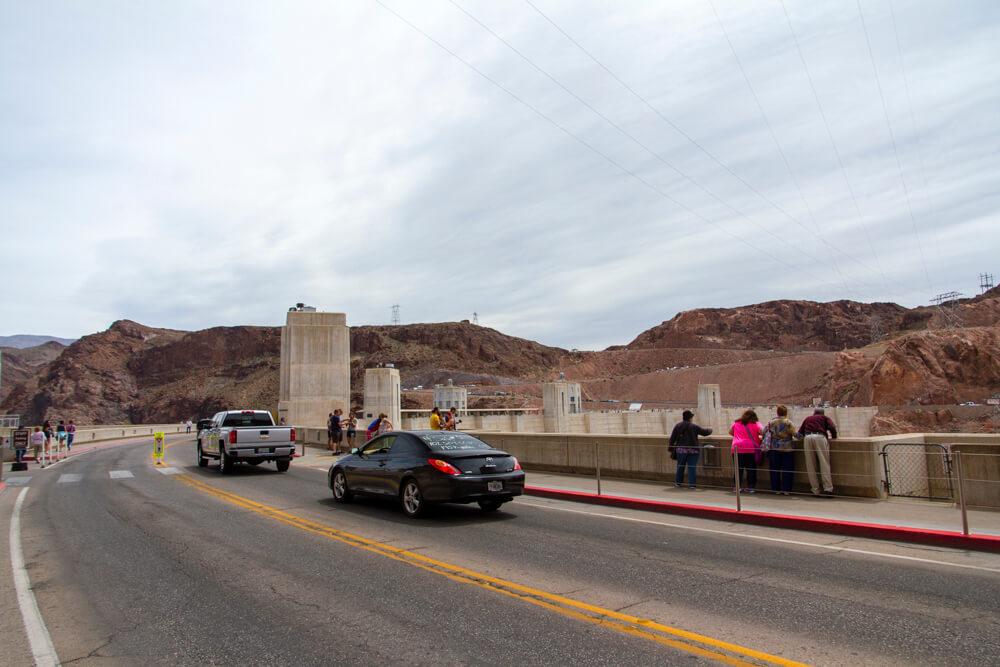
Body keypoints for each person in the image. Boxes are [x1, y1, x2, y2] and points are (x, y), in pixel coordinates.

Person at [797, 408, 838, 497]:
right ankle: (828, 489)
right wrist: (834, 436)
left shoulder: (808, 418)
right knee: (824, 463)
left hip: (808, 438)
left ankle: (815, 490)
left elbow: (800, 432)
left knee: (811, 465)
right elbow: (832, 427)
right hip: (820, 437)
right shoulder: (824, 418)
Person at [668, 410, 713, 489]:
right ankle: (692, 484)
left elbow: (672, 438)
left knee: (680, 466)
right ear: (690, 418)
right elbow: (704, 432)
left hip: (681, 450)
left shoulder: (678, 426)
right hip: (693, 450)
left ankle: (678, 483)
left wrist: (670, 448)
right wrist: (710, 430)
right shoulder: (693, 426)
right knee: (691, 467)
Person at [764, 406, 797, 495]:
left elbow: (763, 432)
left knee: (774, 469)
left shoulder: (771, 422)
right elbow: (795, 434)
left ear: (777, 412)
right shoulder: (788, 422)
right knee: (787, 470)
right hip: (787, 449)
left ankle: (776, 489)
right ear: (786, 413)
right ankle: (787, 490)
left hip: (774, 449)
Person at [729, 409, 762, 493]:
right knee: (751, 468)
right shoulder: (756, 424)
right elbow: (763, 432)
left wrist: (738, 436)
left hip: (737, 448)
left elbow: (730, 432)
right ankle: (751, 487)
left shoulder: (736, 424)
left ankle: (737, 487)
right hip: (751, 449)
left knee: (738, 469)